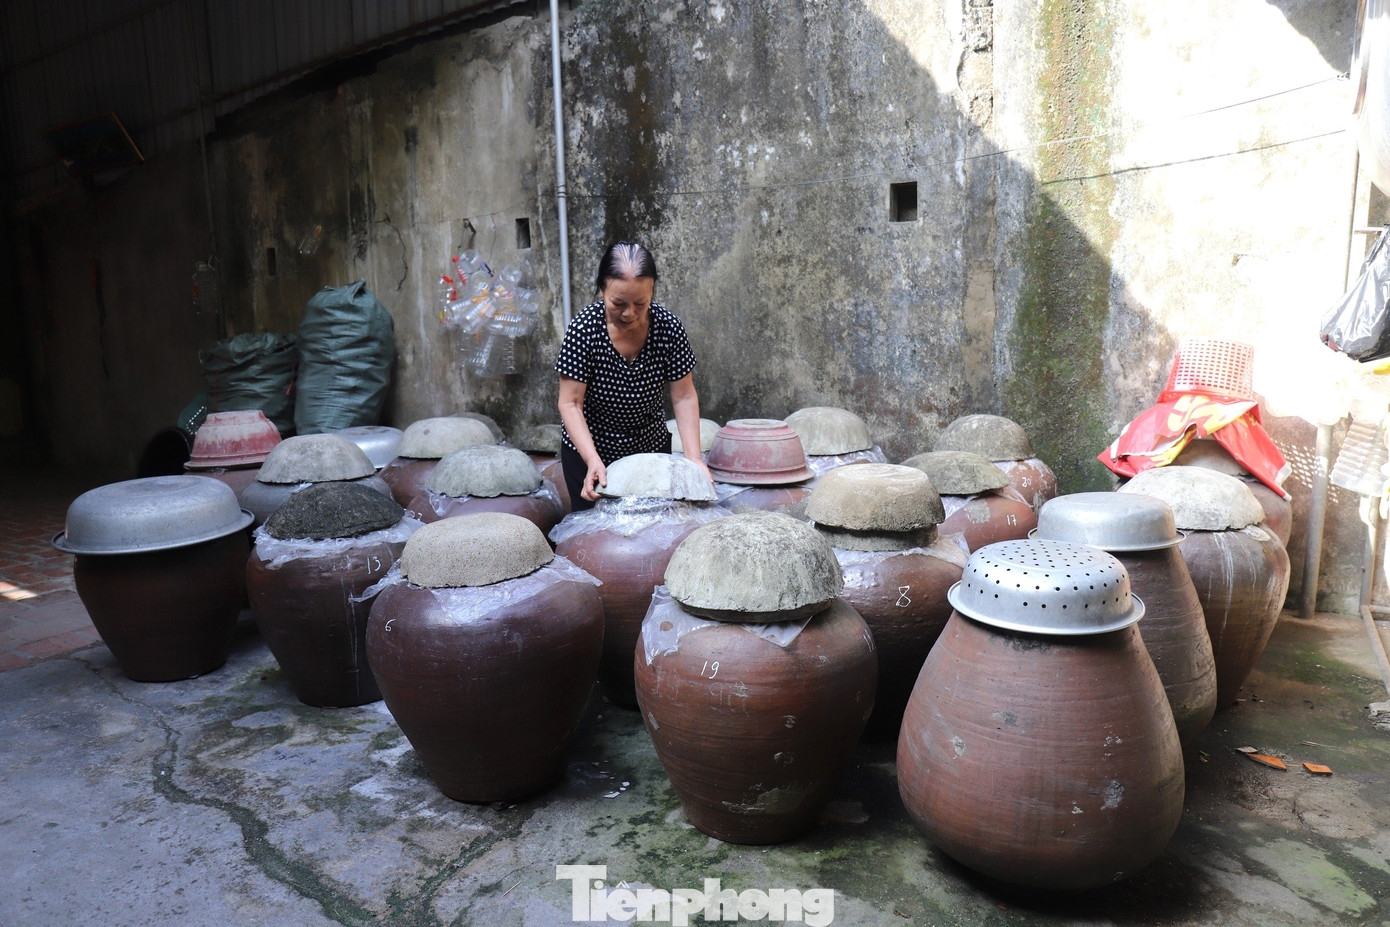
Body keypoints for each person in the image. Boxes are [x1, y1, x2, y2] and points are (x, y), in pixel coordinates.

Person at [555, 241, 713, 509]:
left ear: (652, 292)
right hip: (592, 451)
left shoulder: (668, 328)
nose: (629, 314)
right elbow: (570, 403)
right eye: (618, 303)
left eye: (640, 303)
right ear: (602, 290)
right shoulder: (583, 330)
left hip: (649, 448)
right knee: (595, 537)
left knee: (653, 531)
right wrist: (592, 460)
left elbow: (684, 397)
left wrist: (694, 460)